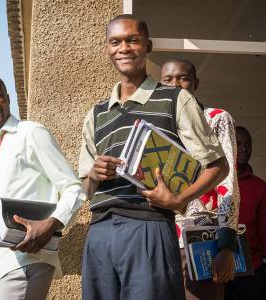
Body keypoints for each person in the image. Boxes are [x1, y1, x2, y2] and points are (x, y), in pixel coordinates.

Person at [79, 15, 229, 300]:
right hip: (99, 231)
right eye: (115, 42)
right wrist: (93, 175)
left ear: (147, 45)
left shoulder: (175, 99)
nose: (124, 48)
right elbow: (86, 191)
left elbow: (218, 165)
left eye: (132, 40)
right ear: (107, 49)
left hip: (148, 226)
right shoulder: (96, 114)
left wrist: (180, 199)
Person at [0, 73, 85, 300]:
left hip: (27, 261)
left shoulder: (30, 133)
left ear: (7, 99)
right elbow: (2, 220)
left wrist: (49, 225)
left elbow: (73, 188)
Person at [157, 58, 240, 300]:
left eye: (183, 78)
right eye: (168, 80)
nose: (176, 85)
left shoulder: (215, 118)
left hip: (202, 240)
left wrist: (226, 243)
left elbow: (228, 181)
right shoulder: (157, 126)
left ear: (195, 83)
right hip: (160, 239)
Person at [225, 126, 266, 300]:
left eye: (248, 145)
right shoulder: (216, 182)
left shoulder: (261, 188)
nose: (244, 148)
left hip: (253, 272)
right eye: (239, 143)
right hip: (220, 269)